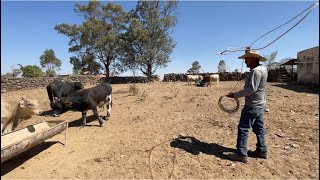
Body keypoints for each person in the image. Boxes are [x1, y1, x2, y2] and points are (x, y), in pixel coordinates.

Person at [226, 49, 268, 163]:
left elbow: (251, 89)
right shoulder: (263, 69)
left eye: (247, 58)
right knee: (259, 129)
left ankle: (241, 154)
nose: (245, 61)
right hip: (260, 105)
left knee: (243, 128)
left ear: (253, 59)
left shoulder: (255, 72)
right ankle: (262, 150)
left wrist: (235, 95)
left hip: (252, 106)